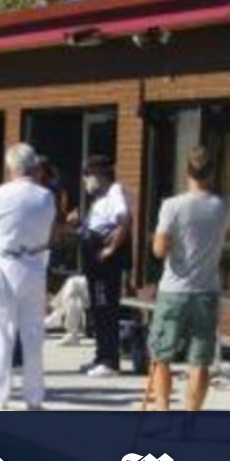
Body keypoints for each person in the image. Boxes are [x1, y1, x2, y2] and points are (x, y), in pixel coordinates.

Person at [148, 146, 230, 411]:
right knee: (200, 360)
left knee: (161, 355)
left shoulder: (172, 206)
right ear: (212, 172)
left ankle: (163, 408)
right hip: (206, 290)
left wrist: (173, 241)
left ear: (187, 171)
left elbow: (159, 250)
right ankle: (190, 419)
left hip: (174, 289)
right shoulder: (226, 206)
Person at [0, 144, 56, 410]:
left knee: (2, 332)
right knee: (33, 334)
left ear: (11, 168)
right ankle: (34, 397)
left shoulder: (1, 193)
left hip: (6, 261)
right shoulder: (46, 196)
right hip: (34, 263)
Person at [79, 155, 133, 378]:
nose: (86, 181)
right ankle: (101, 356)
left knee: (105, 309)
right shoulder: (101, 198)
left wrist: (110, 249)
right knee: (98, 310)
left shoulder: (115, 192)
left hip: (105, 264)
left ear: (100, 175)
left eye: (88, 176)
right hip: (93, 258)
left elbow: (125, 220)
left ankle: (110, 360)